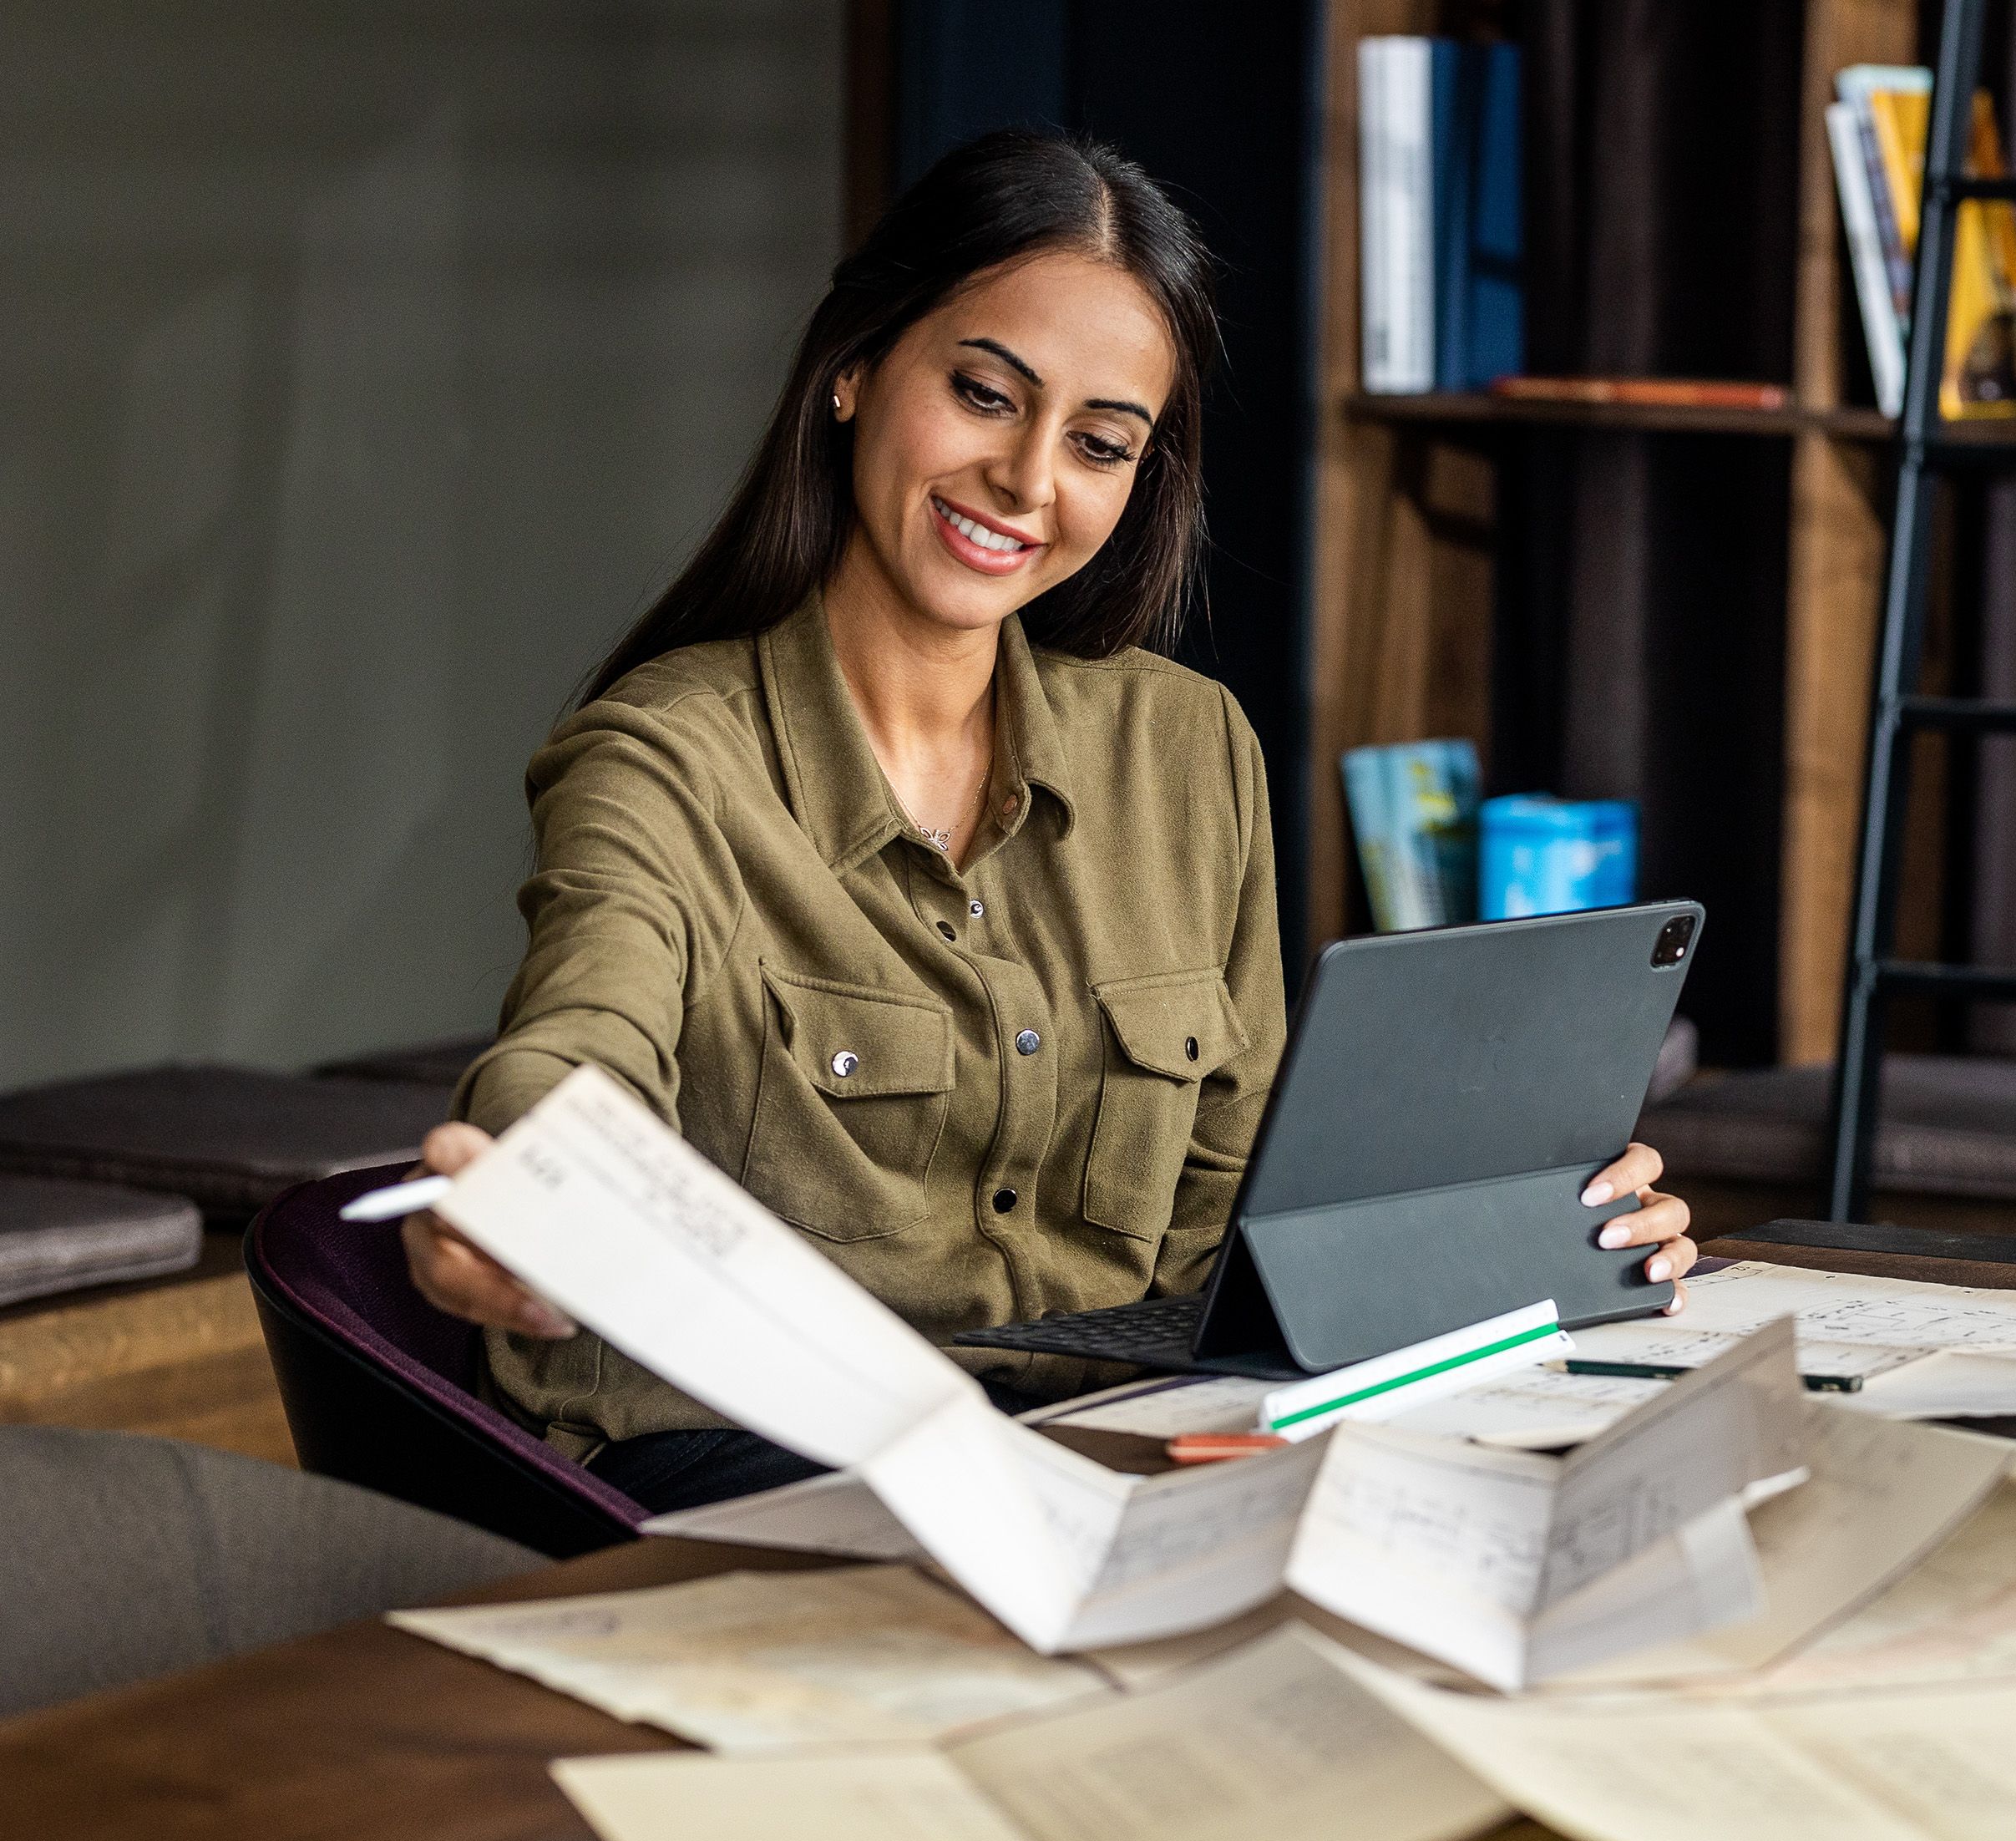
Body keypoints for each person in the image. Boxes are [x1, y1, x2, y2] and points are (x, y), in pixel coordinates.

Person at [400, 130, 1694, 1510]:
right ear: (852, 371)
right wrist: (521, 1193)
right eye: (982, 394)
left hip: (1106, 1438)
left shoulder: (1189, 752)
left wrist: (1529, 1225)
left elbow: (1235, 1225)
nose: (1027, 480)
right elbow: (579, 1045)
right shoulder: (663, 758)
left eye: (1097, 443)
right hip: (742, 1455)